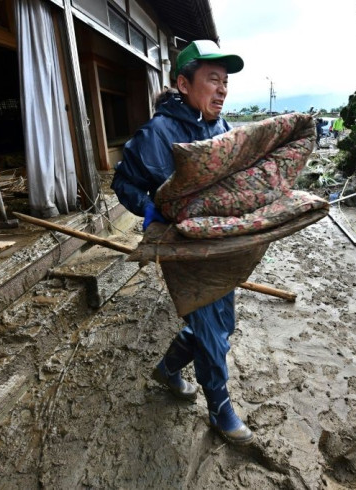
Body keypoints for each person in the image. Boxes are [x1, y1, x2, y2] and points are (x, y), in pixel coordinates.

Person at [111, 40, 253, 445]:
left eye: (225, 82)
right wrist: (150, 209)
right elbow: (123, 182)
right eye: (213, 79)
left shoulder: (221, 129)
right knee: (210, 328)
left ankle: (168, 370)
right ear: (184, 84)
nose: (223, 89)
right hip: (182, 247)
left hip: (219, 245)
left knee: (222, 324)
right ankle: (220, 408)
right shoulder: (158, 133)